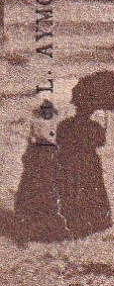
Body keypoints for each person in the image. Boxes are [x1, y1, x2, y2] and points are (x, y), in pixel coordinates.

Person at [57, 103, 113, 238]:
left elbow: (58, 140)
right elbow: (101, 142)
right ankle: (97, 223)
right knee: (92, 192)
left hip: (69, 164)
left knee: (73, 192)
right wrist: (104, 126)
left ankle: (75, 225)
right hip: (89, 164)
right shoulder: (93, 126)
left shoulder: (65, 124)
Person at [15, 100, 68, 241]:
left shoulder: (57, 122)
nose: (47, 112)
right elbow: (29, 141)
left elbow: (60, 141)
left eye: (49, 109)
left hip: (51, 156)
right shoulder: (35, 122)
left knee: (51, 192)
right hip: (37, 157)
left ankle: (51, 229)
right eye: (44, 109)